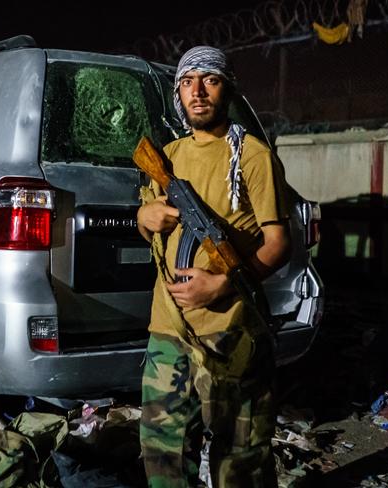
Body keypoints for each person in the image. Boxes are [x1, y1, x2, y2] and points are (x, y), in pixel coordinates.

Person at [136, 45, 291, 488]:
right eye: (187, 83)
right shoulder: (167, 157)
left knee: (239, 458)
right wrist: (145, 219)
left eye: (210, 80)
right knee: (162, 451)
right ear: (178, 95)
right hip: (168, 329)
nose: (198, 91)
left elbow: (279, 242)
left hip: (231, 331)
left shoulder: (252, 155)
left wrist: (221, 285)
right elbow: (147, 221)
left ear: (227, 89)